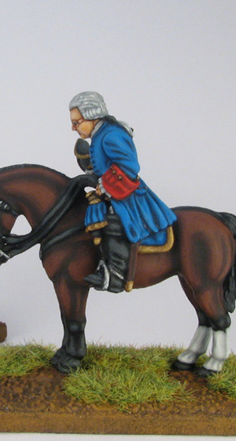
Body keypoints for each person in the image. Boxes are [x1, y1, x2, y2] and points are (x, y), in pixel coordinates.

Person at [69, 91, 176, 293]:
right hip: (113, 188)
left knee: (113, 221)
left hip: (127, 192)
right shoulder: (99, 134)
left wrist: (105, 185)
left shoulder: (111, 134)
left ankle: (116, 274)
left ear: (92, 115)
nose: (73, 128)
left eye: (77, 122)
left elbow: (129, 166)